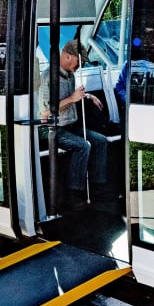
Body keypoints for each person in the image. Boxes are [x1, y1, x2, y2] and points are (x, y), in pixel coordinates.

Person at [39, 40, 109, 211]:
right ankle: (74, 193)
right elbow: (44, 113)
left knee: (101, 141)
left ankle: (97, 187)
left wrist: (88, 96)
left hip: (71, 126)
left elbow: (73, 95)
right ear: (67, 56)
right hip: (53, 129)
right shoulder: (49, 77)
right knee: (83, 146)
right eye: (79, 61)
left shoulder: (70, 75)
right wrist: (72, 99)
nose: (80, 65)